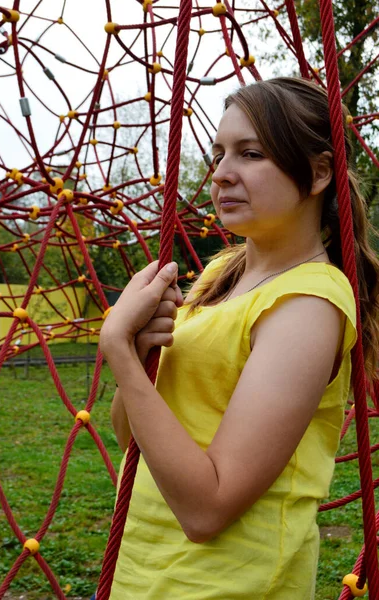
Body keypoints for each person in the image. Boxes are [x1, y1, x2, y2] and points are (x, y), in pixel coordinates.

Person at [99, 77, 379, 599]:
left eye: (251, 154)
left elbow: (208, 509)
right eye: (219, 153)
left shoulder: (308, 303)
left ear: (319, 173)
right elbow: (134, 440)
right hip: (140, 571)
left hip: (225, 584)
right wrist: (135, 359)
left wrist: (116, 348)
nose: (222, 175)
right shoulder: (221, 273)